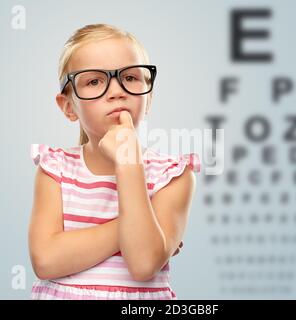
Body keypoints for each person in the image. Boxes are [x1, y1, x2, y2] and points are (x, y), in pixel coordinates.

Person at [28, 24, 200, 300]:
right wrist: (140, 225)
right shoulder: (54, 169)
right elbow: (46, 261)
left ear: (149, 96)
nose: (117, 91)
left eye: (130, 77)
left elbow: (144, 263)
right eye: (94, 81)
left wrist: (129, 164)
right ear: (69, 107)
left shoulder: (173, 176)